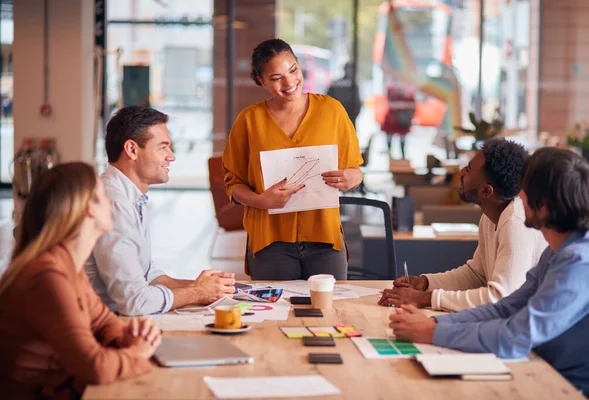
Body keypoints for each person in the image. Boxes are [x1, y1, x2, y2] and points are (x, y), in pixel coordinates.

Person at [389, 148, 589, 399]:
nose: (518, 194)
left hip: (569, 386)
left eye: (526, 188)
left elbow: (515, 336)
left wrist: (431, 333)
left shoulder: (580, 263)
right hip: (542, 367)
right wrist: (435, 323)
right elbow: (505, 308)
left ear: (543, 207)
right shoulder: (559, 249)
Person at [0, 163, 161, 398]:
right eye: (103, 195)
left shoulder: (68, 266)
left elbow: (104, 321)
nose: (111, 201)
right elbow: (96, 367)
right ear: (89, 209)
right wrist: (137, 352)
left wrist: (126, 338)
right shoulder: (47, 278)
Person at [222, 38, 364, 280]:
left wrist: (350, 177)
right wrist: (260, 200)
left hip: (325, 239)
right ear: (261, 81)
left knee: (330, 312)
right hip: (270, 242)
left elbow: (355, 171)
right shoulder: (249, 121)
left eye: (293, 70)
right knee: (274, 315)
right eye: (276, 78)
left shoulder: (332, 110)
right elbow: (232, 184)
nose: (289, 82)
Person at [85, 106, 235, 316]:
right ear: (132, 150)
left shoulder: (130, 195)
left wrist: (203, 287)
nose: (171, 157)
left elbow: (146, 273)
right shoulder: (113, 203)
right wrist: (199, 293)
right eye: (163, 147)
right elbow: (135, 301)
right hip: (104, 325)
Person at [379, 138, 547, 312]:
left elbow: (500, 298)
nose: (461, 171)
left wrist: (424, 299)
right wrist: (425, 283)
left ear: (486, 191)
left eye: (469, 169)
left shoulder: (516, 222)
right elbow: (477, 274)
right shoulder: (491, 215)